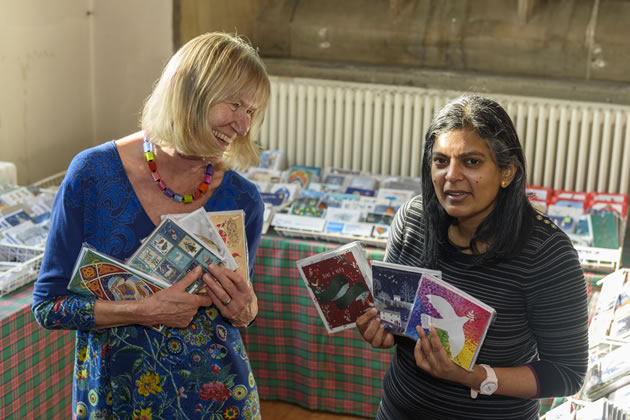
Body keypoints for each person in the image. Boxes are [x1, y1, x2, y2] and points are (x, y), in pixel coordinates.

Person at [32, 32, 270, 419]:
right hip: (118, 398)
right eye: (235, 105)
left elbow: (241, 309)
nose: (243, 126)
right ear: (190, 92)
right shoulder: (93, 176)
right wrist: (144, 309)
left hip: (218, 398)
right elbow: (49, 306)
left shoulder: (243, 199)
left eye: (253, 112)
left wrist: (247, 310)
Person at [357, 95, 589, 419]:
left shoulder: (548, 255)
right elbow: (397, 321)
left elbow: (567, 372)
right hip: (399, 409)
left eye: (471, 162)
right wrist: (381, 328)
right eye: (440, 161)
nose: (451, 175)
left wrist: (475, 376)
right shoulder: (412, 220)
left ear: (507, 171)